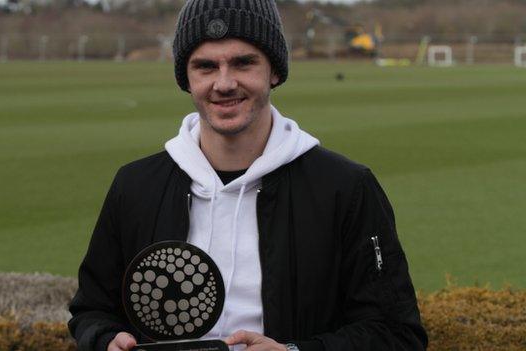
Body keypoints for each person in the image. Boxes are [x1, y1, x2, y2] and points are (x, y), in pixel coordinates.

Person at [68, 0, 428, 350]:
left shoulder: (345, 188)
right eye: (205, 67)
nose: (224, 83)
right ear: (186, 78)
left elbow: (396, 333)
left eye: (243, 63)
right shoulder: (135, 186)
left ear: (274, 70)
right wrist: (104, 338)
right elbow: (93, 309)